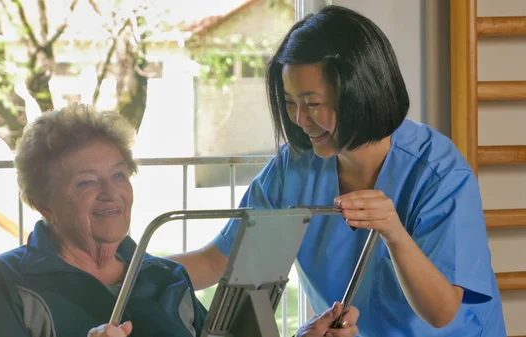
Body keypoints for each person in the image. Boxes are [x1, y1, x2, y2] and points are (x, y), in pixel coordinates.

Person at [169, 5, 506, 337]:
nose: (299, 120)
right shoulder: (293, 168)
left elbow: (441, 313)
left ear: (360, 93)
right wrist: (127, 272)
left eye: (312, 104)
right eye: (289, 102)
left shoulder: (438, 174)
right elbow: (218, 259)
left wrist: (394, 233)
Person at [0, 104, 207, 337]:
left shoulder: (167, 277)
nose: (111, 194)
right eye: (86, 182)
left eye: (119, 175)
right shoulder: (7, 281)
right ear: (43, 204)